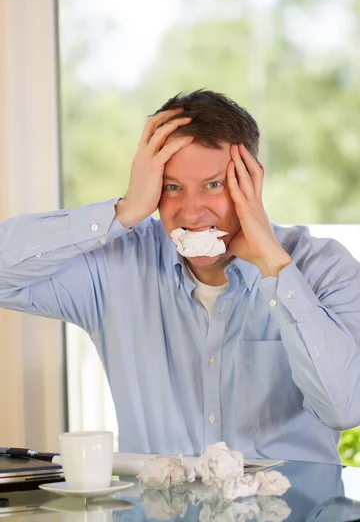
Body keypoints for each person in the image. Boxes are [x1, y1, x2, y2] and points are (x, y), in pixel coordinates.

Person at [1, 89, 360, 464]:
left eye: (213, 184)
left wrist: (274, 268)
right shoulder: (117, 267)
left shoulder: (324, 268)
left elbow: (344, 409)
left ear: (252, 181)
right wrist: (123, 211)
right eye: (172, 187)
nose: (191, 212)